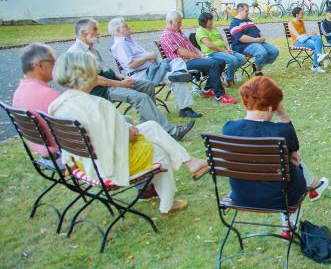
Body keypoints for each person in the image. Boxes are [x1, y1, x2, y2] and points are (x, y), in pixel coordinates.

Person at [48, 51, 210, 215]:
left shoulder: (57, 104)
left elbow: (100, 132)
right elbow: (126, 137)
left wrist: (125, 127)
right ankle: (168, 204)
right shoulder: (97, 105)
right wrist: (128, 129)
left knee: (152, 126)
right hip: (108, 165)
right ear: (87, 74)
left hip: (85, 161)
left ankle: (190, 162)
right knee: (159, 151)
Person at [222, 76, 329, 236]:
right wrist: (283, 115)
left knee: (289, 163)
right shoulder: (280, 132)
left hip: (241, 195)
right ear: (273, 107)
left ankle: (313, 186)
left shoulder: (228, 129)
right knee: (293, 164)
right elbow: (295, 148)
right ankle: (289, 226)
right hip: (278, 197)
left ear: (245, 102)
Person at [68, 18, 195, 140]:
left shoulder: (92, 49)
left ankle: (146, 126)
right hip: (101, 90)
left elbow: (106, 71)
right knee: (141, 98)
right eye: (94, 29)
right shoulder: (76, 52)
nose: (98, 32)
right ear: (82, 33)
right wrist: (120, 83)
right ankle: (172, 132)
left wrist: (123, 78)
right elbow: (94, 79)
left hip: (113, 82)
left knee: (148, 85)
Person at [108, 17, 201, 119]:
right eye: (125, 26)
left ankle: (179, 74)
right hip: (142, 74)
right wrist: (148, 57)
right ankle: (185, 108)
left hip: (152, 68)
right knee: (176, 77)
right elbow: (130, 65)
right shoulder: (120, 44)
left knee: (177, 61)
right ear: (117, 31)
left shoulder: (128, 41)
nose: (128, 27)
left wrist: (150, 57)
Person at [160, 11, 237, 104]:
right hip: (182, 63)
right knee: (214, 64)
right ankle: (220, 95)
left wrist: (203, 55)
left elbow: (192, 47)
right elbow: (182, 52)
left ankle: (207, 90)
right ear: (170, 22)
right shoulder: (168, 35)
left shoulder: (178, 32)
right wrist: (200, 57)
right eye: (179, 22)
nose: (181, 24)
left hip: (191, 59)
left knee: (221, 62)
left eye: (181, 22)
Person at [11, 43, 61, 165]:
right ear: (39, 65)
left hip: (45, 157)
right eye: (52, 62)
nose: (56, 65)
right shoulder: (49, 95)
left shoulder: (18, 92)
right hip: (64, 159)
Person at [196, 12, 246, 87]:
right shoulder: (200, 31)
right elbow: (210, 45)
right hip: (212, 53)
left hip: (223, 51)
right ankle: (229, 81)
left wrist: (228, 48)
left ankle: (227, 74)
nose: (212, 23)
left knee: (242, 58)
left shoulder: (213, 27)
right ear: (204, 22)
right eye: (210, 22)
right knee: (233, 60)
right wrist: (224, 51)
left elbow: (223, 39)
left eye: (211, 20)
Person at [229, 3, 279, 75]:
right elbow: (241, 38)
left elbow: (258, 30)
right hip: (244, 46)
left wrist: (262, 37)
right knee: (262, 53)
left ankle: (257, 65)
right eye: (246, 11)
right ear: (240, 11)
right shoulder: (234, 23)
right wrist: (257, 40)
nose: (248, 13)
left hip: (257, 42)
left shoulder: (248, 20)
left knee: (274, 52)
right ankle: (258, 72)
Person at [288, 7, 329, 73]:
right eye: (301, 13)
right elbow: (298, 37)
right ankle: (315, 65)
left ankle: (319, 56)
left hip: (304, 39)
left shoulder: (301, 22)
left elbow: (304, 34)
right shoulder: (291, 23)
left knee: (317, 37)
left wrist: (311, 34)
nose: (303, 14)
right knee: (316, 45)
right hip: (297, 42)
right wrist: (308, 36)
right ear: (297, 14)